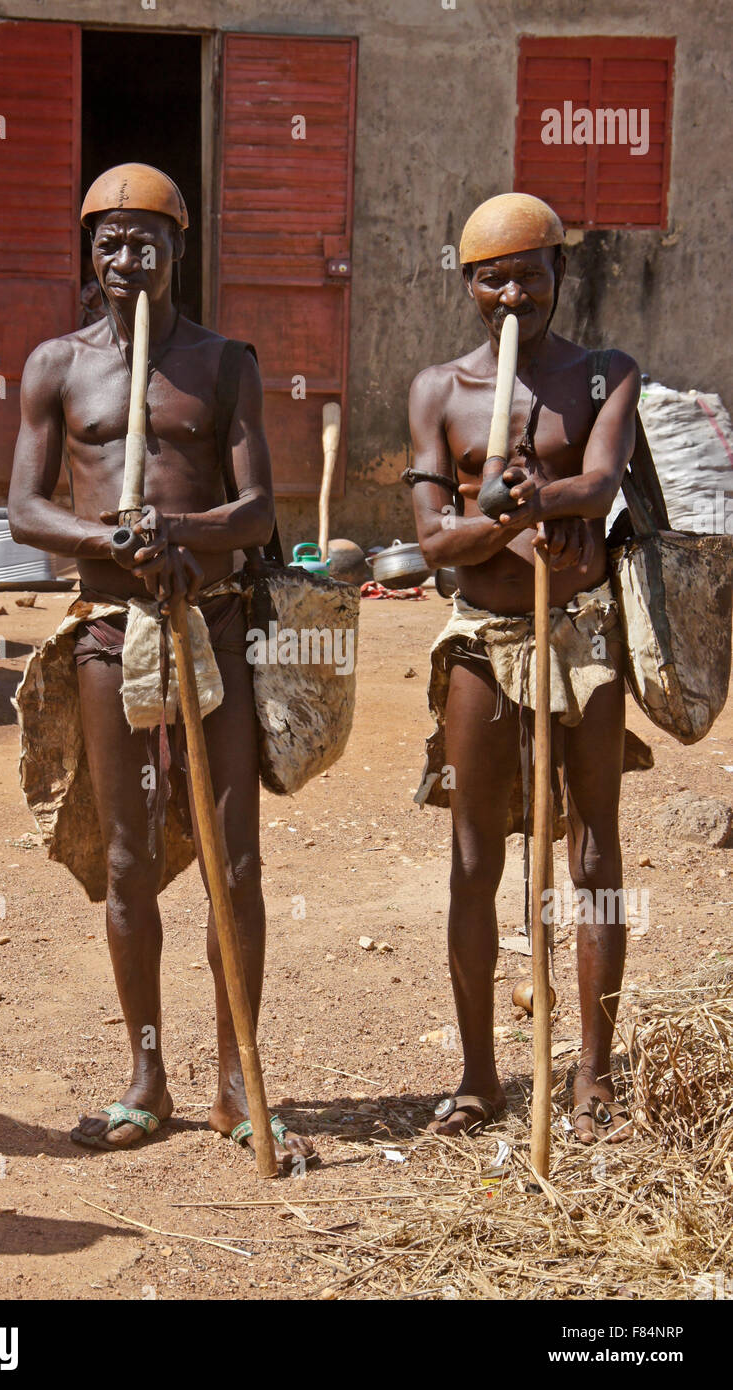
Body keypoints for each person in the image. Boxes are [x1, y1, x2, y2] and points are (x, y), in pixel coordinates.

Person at [9, 163, 314, 1168]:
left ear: (180, 250)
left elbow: (260, 506)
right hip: (109, 635)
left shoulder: (223, 363)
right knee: (129, 858)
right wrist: (110, 542)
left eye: (147, 241)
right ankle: (146, 1074)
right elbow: (25, 510)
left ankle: (238, 1082)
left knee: (234, 862)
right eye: (108, 241)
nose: (126, 258)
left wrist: (176, 526)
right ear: (86, 253)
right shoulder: (56, 364)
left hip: (211, 631)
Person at [409, 192, 640, 1144]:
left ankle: (590, 1073)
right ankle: (478, 1077)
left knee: (592, 847)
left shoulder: (603, 373)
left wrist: (529, 497)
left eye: (530, 275)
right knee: (475, 856)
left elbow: (604, 478)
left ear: (560, 275)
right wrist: (500, 521)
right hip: (483, 641)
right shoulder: (440, 390)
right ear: (469, 286)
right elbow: (432, 542)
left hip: (579, 632)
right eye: (492, 278)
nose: (513, 295)